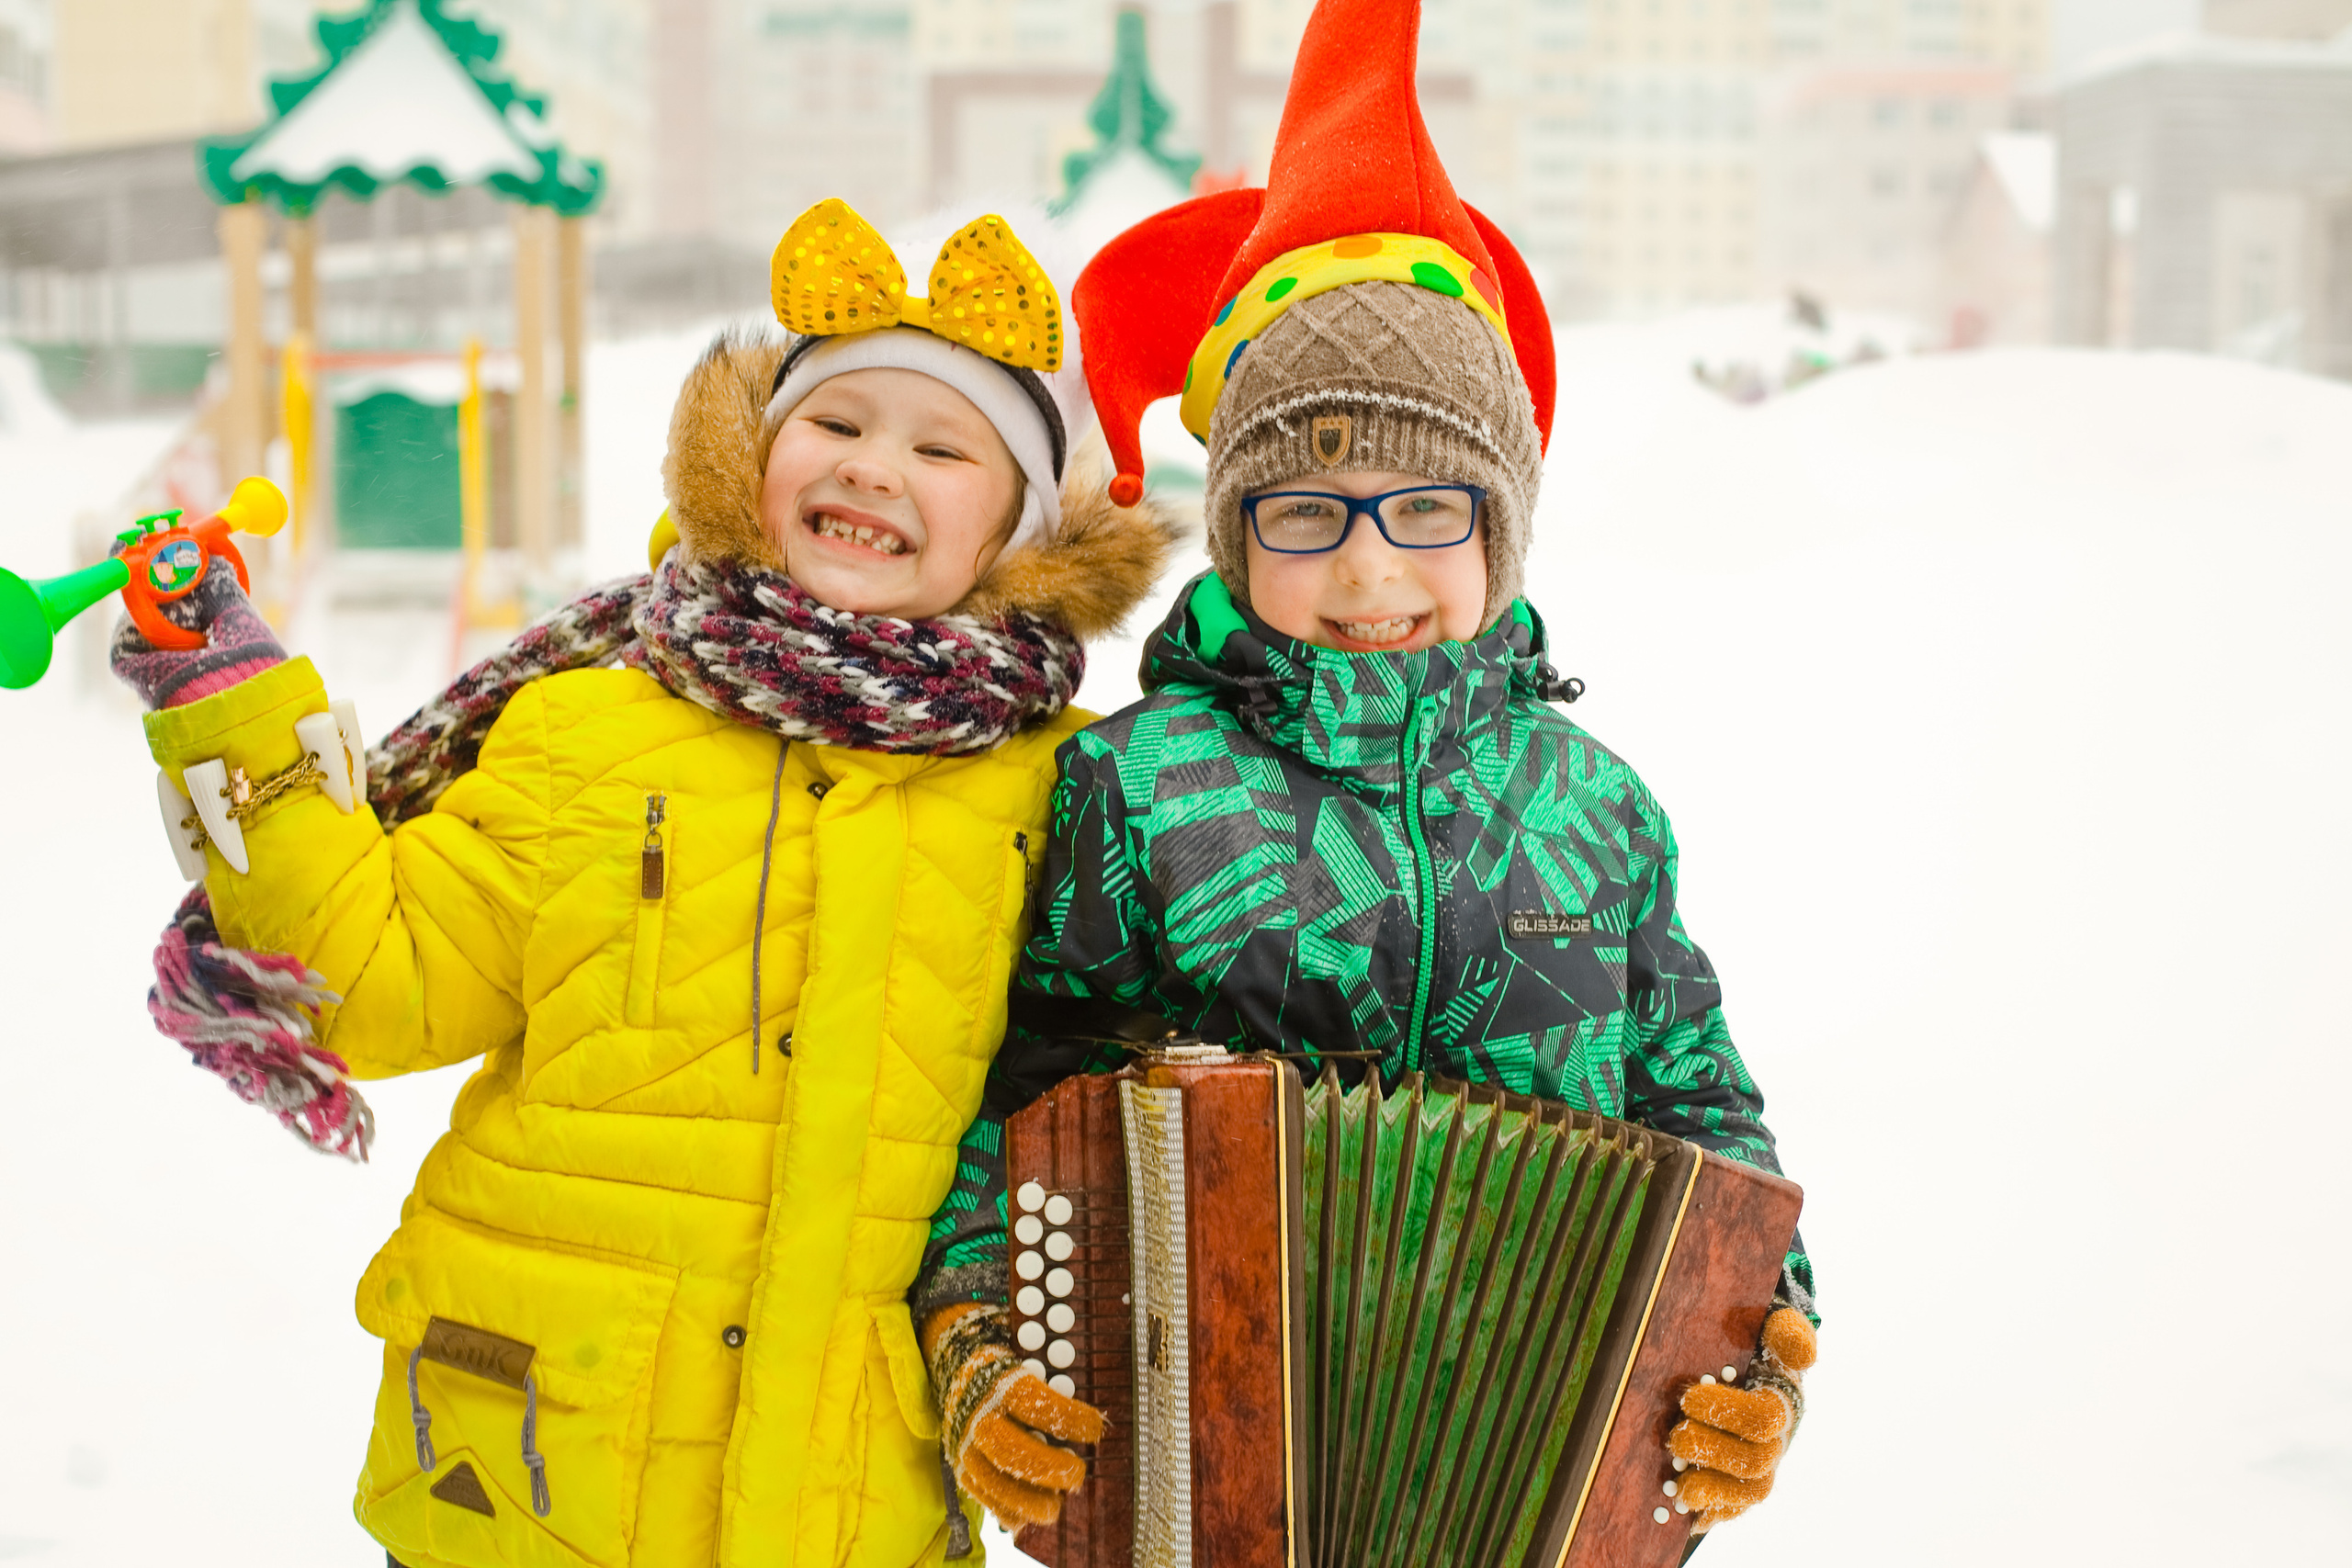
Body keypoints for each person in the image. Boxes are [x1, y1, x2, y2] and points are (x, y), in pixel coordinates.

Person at [118, 199, 1176, 1568]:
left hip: (846, 1504)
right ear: (755, 457)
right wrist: (237, 710)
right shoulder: (590, 731)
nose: (873, 468)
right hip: (532, 1485)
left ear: (1018, 530)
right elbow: (364, 985)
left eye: (943, 446)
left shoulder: (1063, 794)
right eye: (838, 424)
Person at [911, 0, 1818, 1547]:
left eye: (1427, 513)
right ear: (1237, 532)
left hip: (1536, 1500)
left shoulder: (1595, 813)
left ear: (1500, 532)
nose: (1369, 569)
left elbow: (1702, 1105)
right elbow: (1024, 1095)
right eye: (1305, 514)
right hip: (1212, 1483)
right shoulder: (1135, 793)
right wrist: (982, 1332)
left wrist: (1766, 1348)